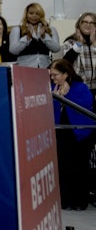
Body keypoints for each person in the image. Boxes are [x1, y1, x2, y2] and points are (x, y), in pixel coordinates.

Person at [50, 59, 95, 210]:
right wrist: (56, 98)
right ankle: (65, 200)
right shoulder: (51, 87)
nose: (53, 78)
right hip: (61, 132)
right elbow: (47, 108)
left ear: (65, 74)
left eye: (56, 75)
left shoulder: (80, 87)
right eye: (51, 75)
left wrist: (66, 96)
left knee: (79, 167)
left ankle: (79, 201)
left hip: (80, 134)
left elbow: (86, 105)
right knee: (63, 167)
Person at [9, 2, 60, 68]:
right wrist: (27, 38)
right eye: (31, 13)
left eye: (37, 14)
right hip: (24, 69)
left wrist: (44, 37)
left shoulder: (50, 29)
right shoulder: (17, 29)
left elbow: (56, 48)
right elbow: (13, 50)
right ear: (26, 14)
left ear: (41, 15)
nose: (34, 16)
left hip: (44, 67)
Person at [61, 11, 96, 104]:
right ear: (79, 24)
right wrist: (79, 44)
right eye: (85, 22)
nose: (88, 25)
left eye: (91, 22)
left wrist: (94, 45)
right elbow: (65, 63)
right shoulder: (70, 42)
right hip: (77, 88)